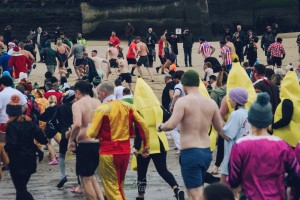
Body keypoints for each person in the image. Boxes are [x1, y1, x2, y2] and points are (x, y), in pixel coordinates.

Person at [157, 70, 224, 200]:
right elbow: (220, 128)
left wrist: (160, 126)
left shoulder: (183, 102)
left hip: (190, 152)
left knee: (196, 193)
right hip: (206, 152)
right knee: (191, 189)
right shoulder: (211, 103)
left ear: (183, 84)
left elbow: (171, 125)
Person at [228, 93, 300, 199]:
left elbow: (233, 179)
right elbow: (296, 175)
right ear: (269, 119)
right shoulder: (283, 146)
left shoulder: (240, 145)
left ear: (251, 119)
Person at [85, 81, 149, 200]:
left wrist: (88, 129)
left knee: (112, 188)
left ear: (104, 93)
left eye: (98, 93)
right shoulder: (127, 106)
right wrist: (146, 146)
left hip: (108, 151)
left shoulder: (102, 108)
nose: (97, 96)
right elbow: (143, 124)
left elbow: (92, 133)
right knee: (119, 186)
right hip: (125, 151)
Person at [5, 94, 47, 200]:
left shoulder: (11, 126)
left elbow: (12, 144)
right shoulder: (29, 123)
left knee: (21, 190)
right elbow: (41, 138)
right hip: (30, 159)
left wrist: (3, 149)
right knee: (21, 189)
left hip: (17, 162)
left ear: (9, 113)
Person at [68, 81, 104, 200]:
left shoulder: (77, 104)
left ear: (78, 92)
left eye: (75, 93)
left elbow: (77, 124)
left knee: (86, 179)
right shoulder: (98, 102)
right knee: (91, 175)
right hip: (98, 142)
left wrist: (71, 140)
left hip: (85, 143)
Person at [219, 88, 251, 186]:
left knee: (224, 189)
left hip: (232, 155)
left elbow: (227, 136)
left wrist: (217, 124)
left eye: (231, 99)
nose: (229, 100)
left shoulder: (235, 114)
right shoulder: (248, 112)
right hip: (245, 155)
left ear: (236, 101)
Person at [273, 71, 300, 148]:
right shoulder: (297, 100)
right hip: (296, 138)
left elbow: (286, 120)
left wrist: (273, 126)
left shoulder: (287, 101)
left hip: (286, 139)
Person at [56, 90, 75, 189]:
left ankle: (63, 175)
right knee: (79, 156)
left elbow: (54, 119)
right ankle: (80, 177)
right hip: (75, 133)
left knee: (62, 154)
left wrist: (60, 129)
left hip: (64, 134)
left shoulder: (61, 107)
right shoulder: (76, 107)